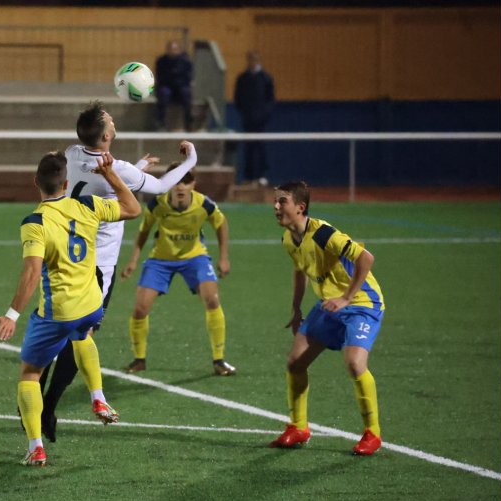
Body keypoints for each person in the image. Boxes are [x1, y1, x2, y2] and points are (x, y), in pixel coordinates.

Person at [38, 100, 198, 444]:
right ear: (108, 134)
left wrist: (136, 168)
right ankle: (49, 405)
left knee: (53, 330)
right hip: (96, 267)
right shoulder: (118, 168)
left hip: (66, 257)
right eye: (110, 120)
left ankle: (35, 398)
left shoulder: (71, 153)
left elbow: (106, 180)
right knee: (81, 335)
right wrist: (191, 161)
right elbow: (157, 188)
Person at [0, 150, 141, 467]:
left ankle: (36, 447)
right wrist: (110, 174)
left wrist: (12, 314)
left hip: (58, 310)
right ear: (67, 182)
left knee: (30, 374)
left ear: (36, 182)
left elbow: (32, 273)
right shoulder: (86, 204)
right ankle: (98, 398)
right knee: (83, 333)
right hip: (92, 303)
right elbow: (133, 207)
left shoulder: (35, 223)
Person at [270, 181, 384, 456]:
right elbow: (300, 270)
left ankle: (373, 433)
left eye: (282, 201)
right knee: (295, 362)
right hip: (329, 305)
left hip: (361, 303)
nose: (275, 206)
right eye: (275, 201)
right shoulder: (288, 238)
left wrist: (346, 298)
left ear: (301, 207)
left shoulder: (322, 233)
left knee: (355, 364)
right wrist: (296, 308)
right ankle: (299, 426)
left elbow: (366, 258)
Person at [120, 163, 236, 376]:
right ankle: (139, 359)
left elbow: (221, 224)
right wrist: (133, 260)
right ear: (169, 183)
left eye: (186, 181)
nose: (181, 186)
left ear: (193, 184)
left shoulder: (204, 204)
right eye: (176, 181)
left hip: (195, 257)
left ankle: (219, 360)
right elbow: (144, 230)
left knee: (212, 299)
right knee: (140, 309)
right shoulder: (158, 203)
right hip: (160, 260)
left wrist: (224, 257)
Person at [233, 50, 275, 184]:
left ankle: (261, 175)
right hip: (248, 118)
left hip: (261, 120)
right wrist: (245, 113)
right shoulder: (242, 78)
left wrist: (264, 114)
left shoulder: (266, 78)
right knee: (248, 148)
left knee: (260, 147)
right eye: (250, 59)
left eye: (255, 60)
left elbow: (270, 99)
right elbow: (238, 98)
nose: (252, 62)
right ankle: (248, 176)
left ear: (258, 61)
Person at [155, 39, 194, 132]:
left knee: (186, 93)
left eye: (175, 49)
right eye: (171, 49)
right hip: (167, 86)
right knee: (164, 93)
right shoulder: (161, 61)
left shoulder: (185, 62)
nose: (173, 51)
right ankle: (160, 122)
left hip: (180, 86)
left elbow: (188, 77)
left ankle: (189, 122)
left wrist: (177, 81)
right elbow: (160, 77)